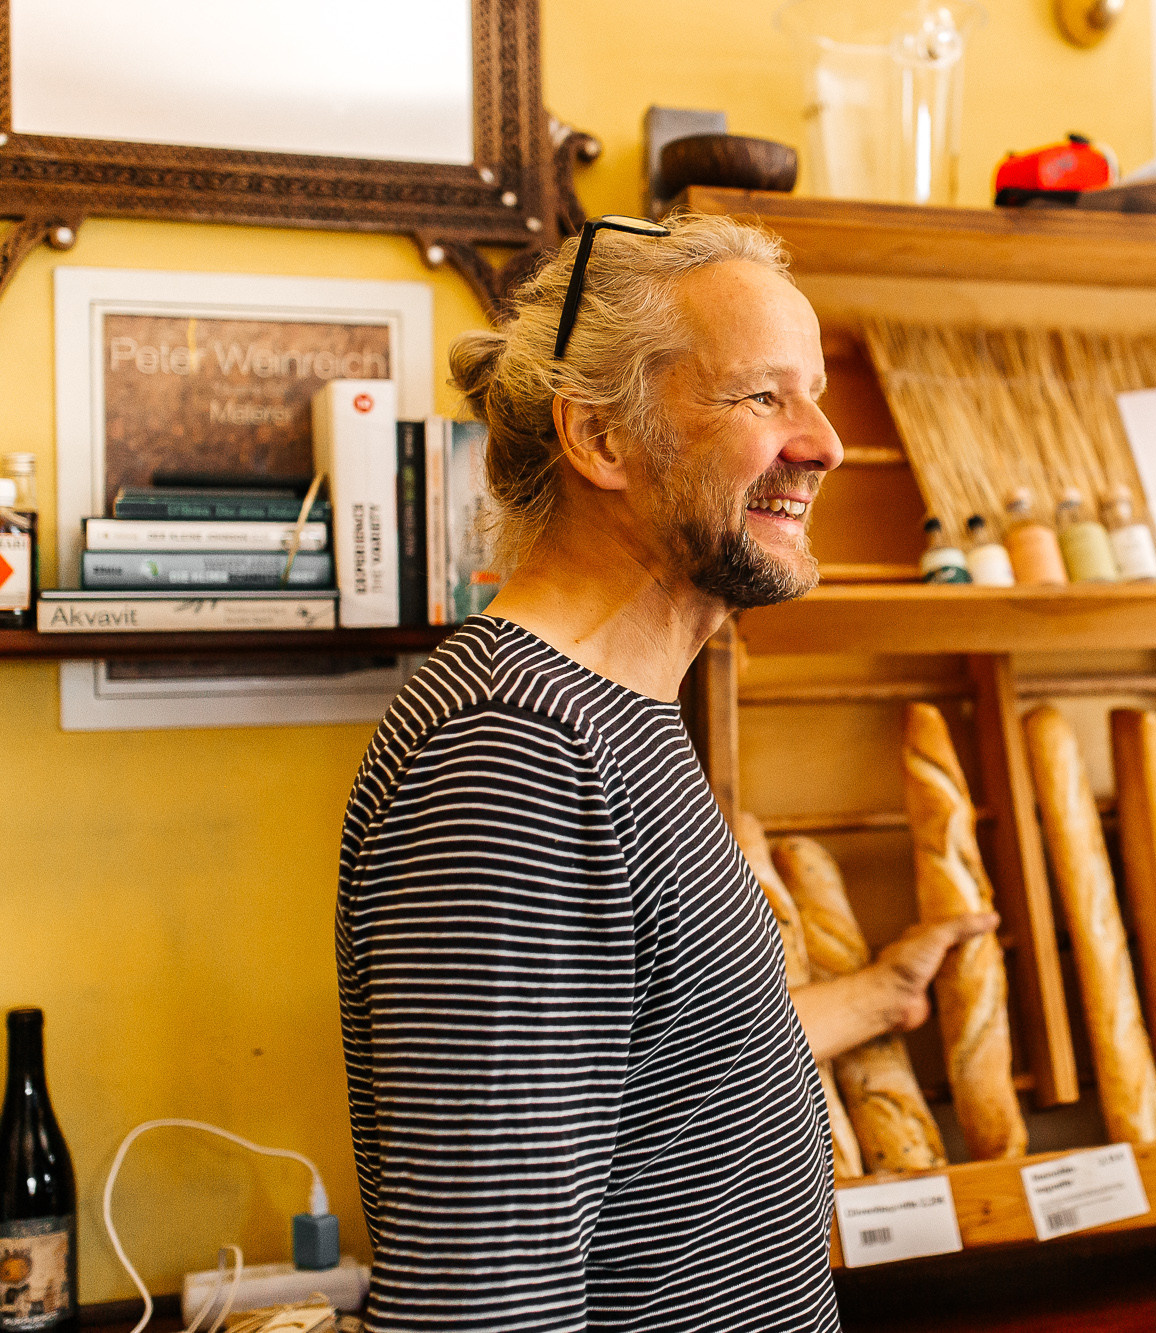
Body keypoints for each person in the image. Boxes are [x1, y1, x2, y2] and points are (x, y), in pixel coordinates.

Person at [336, 214, 994, 1332]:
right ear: (601, 439)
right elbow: (481, 1301)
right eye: (762, 398)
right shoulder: (514, 759)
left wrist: (879, 994)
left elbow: (662, 1072)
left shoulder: (609, 718)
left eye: (816, 395)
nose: (826, 443)